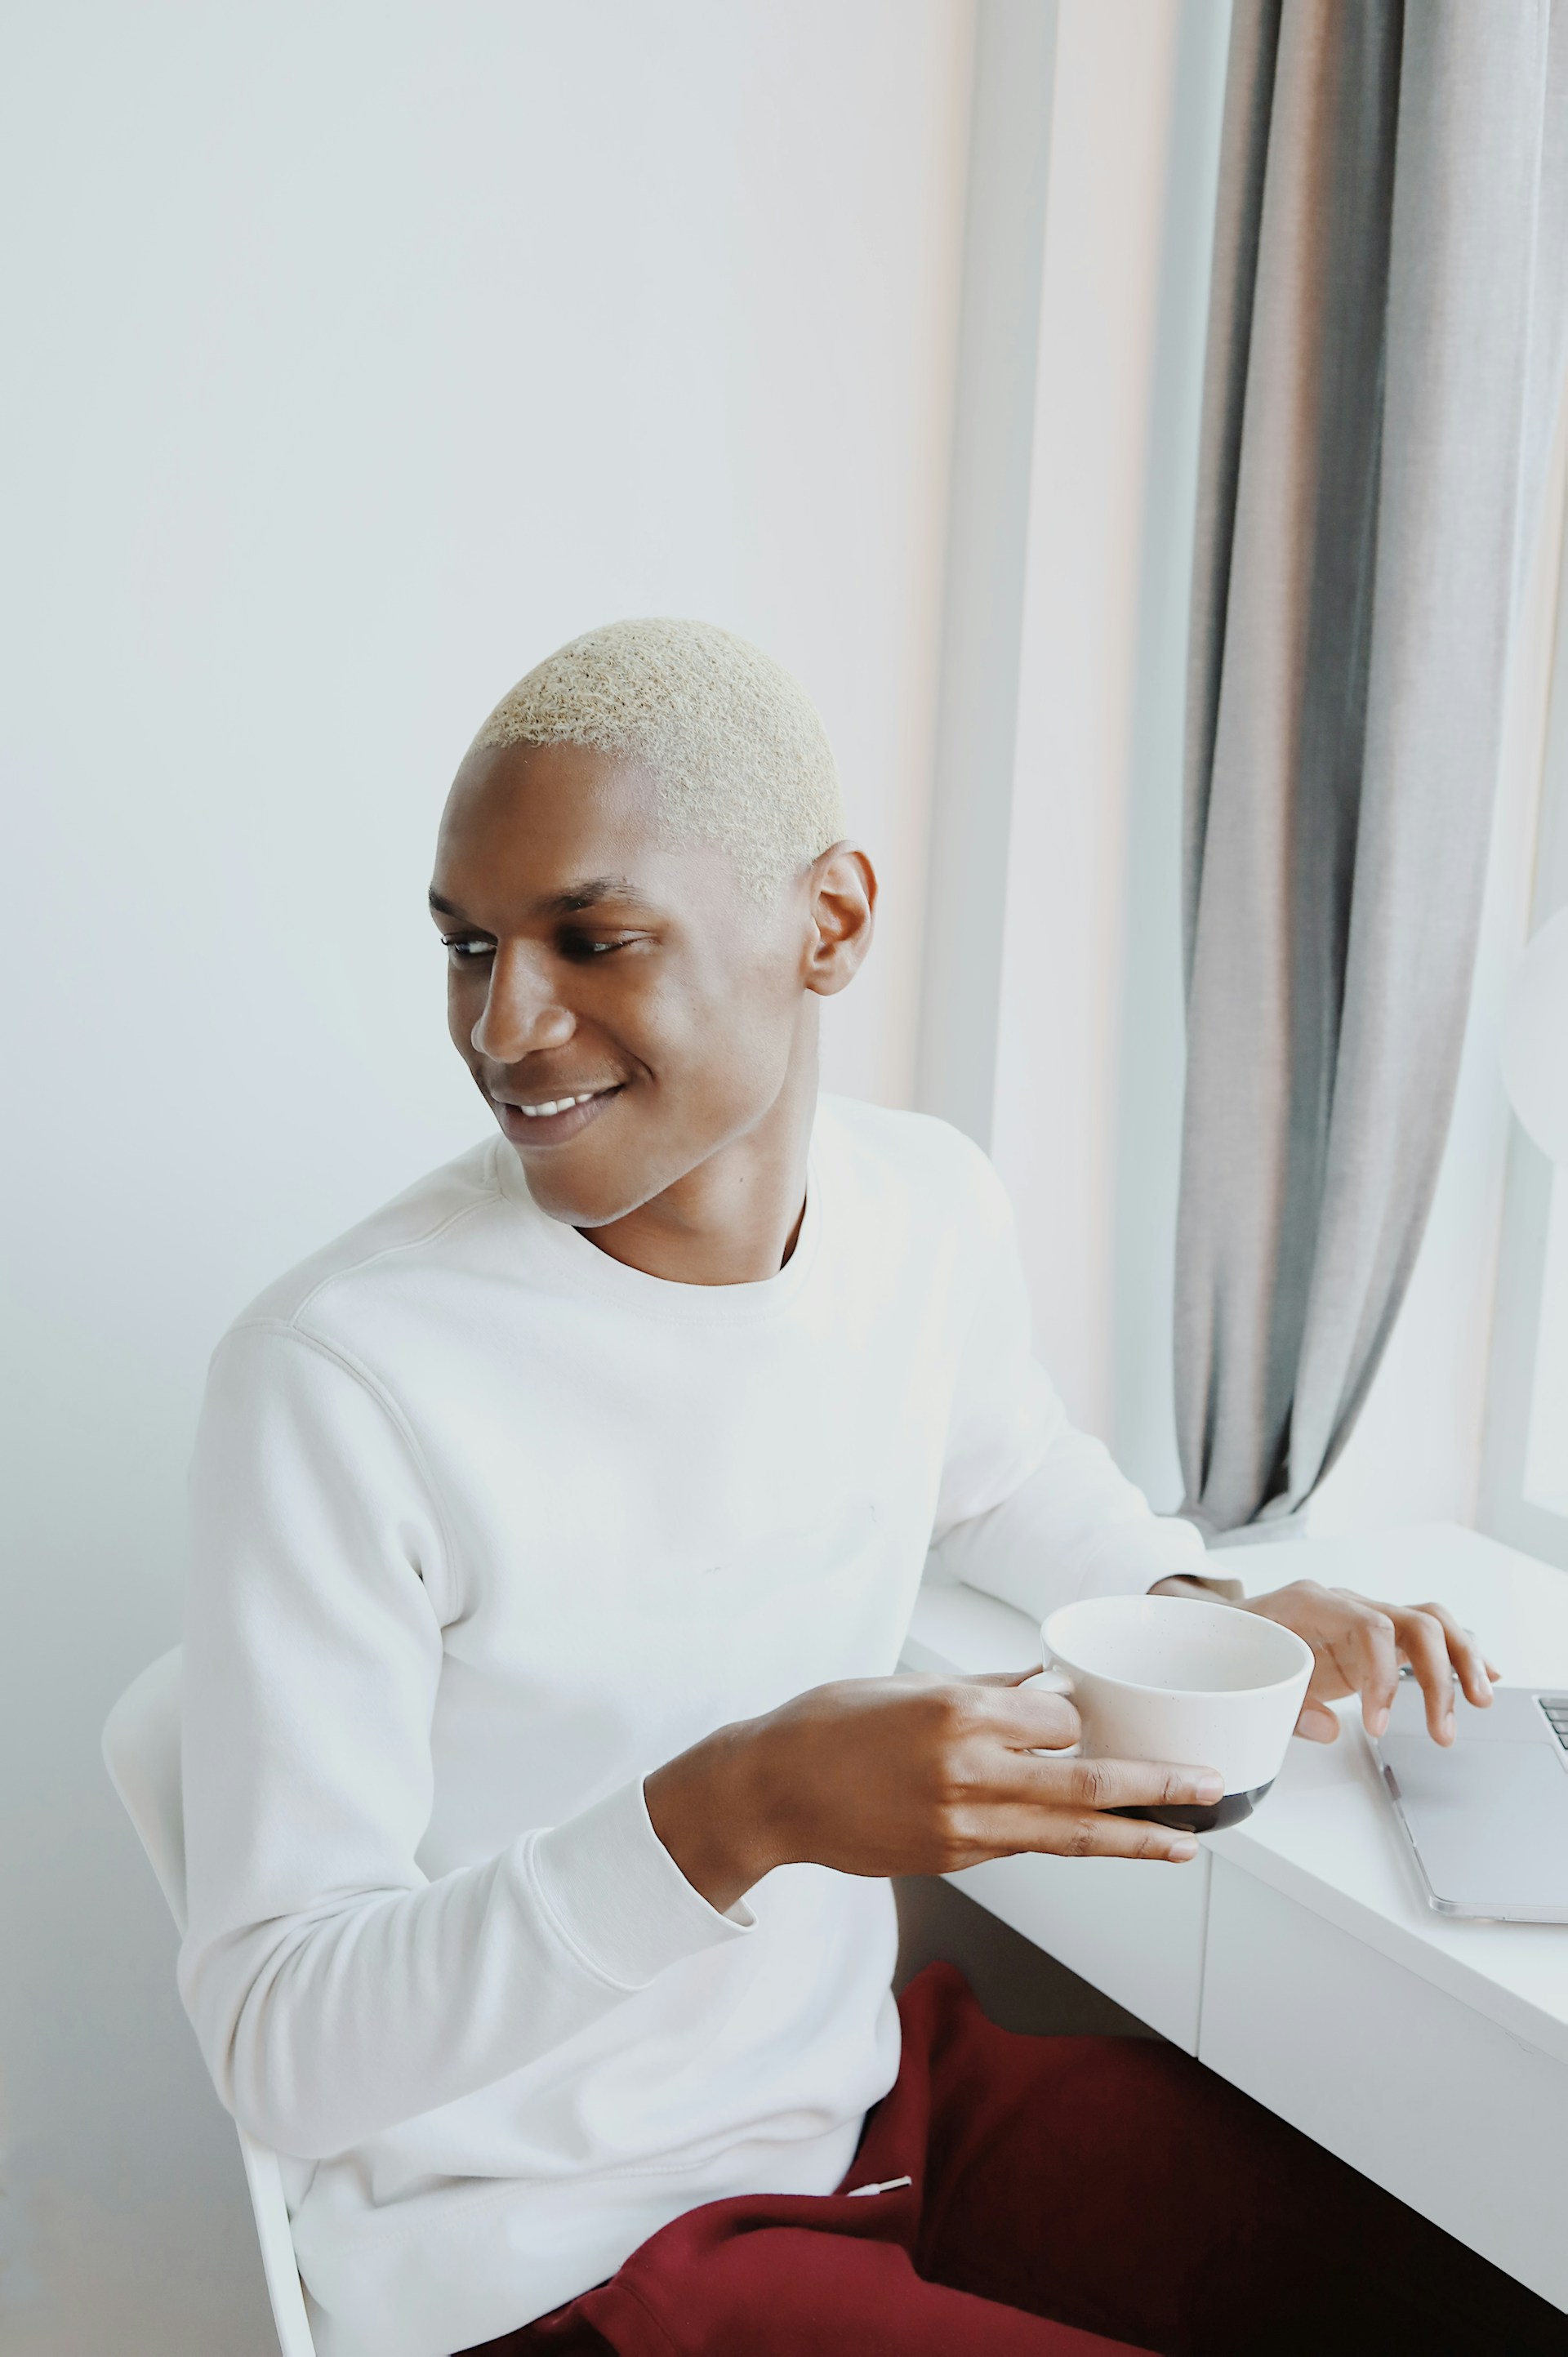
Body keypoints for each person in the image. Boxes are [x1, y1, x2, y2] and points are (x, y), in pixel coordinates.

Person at [178, 620, 1552, 2357]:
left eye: (589, 938)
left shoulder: (924, 1208)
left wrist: (1213, 1606)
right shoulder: (341, 1378)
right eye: (467, 945)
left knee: (1463, 2274)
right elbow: (280, 2046)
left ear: (828, 923)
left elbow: (1005, 1467)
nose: (500, 1023)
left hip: (863, 2109)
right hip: (551, 2255)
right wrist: (741, 1808)